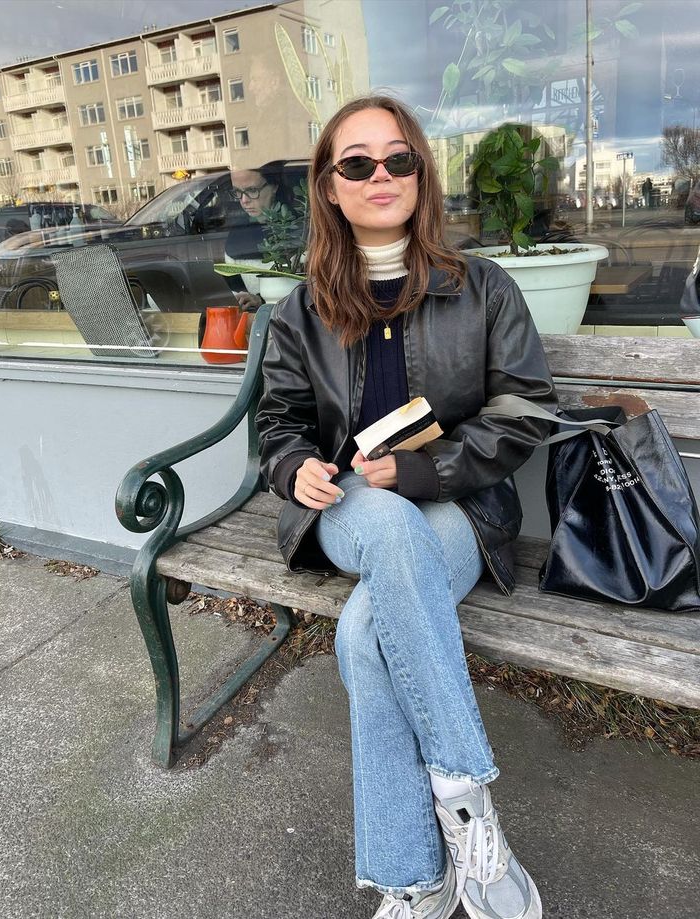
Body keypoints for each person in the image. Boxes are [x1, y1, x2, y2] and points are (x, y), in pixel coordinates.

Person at [256, 95, 557, 919]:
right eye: (357, 163)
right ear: (329, 185)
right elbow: (277, 420)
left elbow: (525, 410)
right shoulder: (300, 308)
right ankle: (471, 805)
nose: (380, 175)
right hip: (352, 507)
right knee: (383, 525)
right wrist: (293, 470)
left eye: (399, 159)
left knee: (364, 633)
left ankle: (413, 875)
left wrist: (426, 472)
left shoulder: (482, 288)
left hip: (458, 505)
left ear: (422, 174)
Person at [224, 162, 285, 310]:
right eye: (237, 192)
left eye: (252, 190)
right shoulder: (237, 233)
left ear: (274, 186)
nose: (244, 200)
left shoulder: (299, 229)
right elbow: (234, 287)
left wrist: (260, 299)